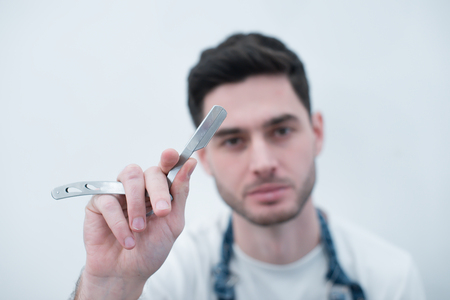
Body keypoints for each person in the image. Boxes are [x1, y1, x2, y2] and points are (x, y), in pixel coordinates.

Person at [71, 33, 425, 300]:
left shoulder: (389, 279)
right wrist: (111, 285)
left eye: (282, 130)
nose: (263, 163)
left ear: (317, 133)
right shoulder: (165, 274)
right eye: (234, 140)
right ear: (205, 159)